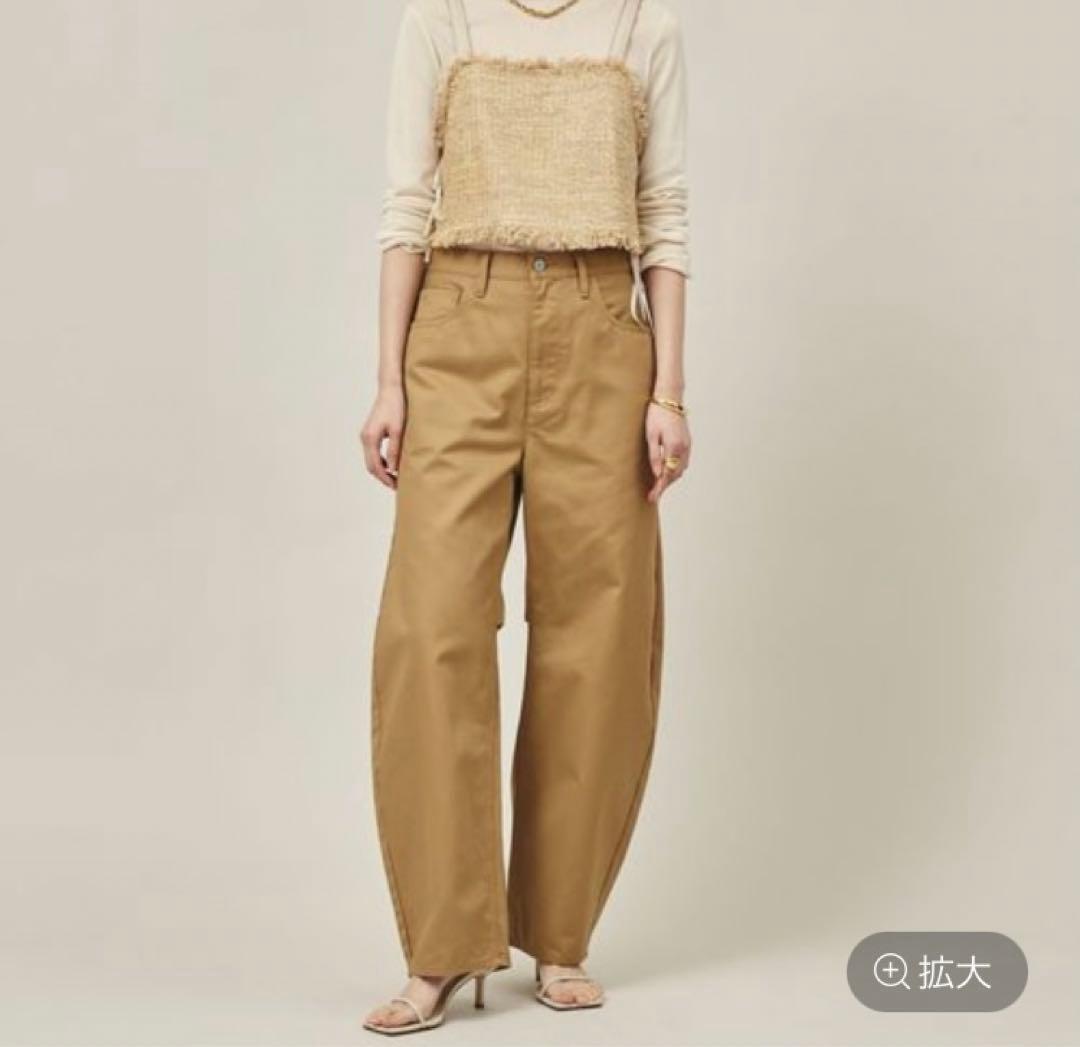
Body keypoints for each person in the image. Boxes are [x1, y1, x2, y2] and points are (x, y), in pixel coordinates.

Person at [359, 0, 691, 1033]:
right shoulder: (441, 17)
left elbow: (664, 211)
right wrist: (389, 382)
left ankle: (560, 935)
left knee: (597, 634)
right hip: (460, 318)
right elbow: (407, 203)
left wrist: (669, 391)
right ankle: (440, 947)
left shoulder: (643, 23)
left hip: (601, 326)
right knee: (431, 628)